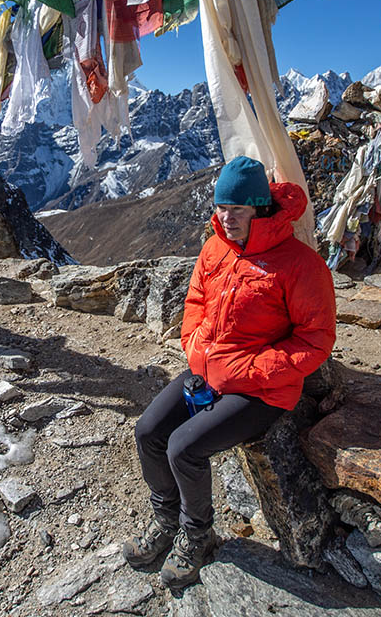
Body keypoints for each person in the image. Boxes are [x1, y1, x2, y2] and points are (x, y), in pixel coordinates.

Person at [122, 155, 336, 590]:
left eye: (237, 208)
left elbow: (315, 341)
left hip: (262, 390)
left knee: (184, 447)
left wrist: (253, 369)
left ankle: (196, 534)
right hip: (208, 373)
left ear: (261, 209)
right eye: (221, 207)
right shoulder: (216, 247)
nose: (227, 216)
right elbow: (195, 303)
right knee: (148, 431)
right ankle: (166, 518)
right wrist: (194, 344)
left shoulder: (300, 265)